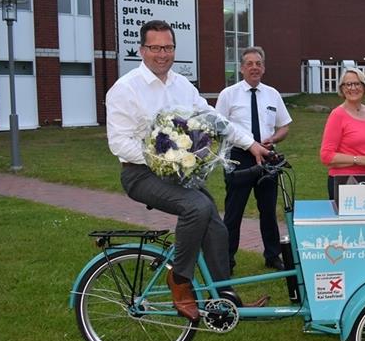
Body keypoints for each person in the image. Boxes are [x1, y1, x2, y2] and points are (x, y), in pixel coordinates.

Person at [106, 20, 270, 322]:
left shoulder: (182, 85)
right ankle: (180, 281)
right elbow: (119, 144)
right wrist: (163, 157)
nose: (162, 54)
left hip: (178, 175)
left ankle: (225, 301)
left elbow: (213, 119)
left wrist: (251, 145)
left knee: (216, 227)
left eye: (168, 47)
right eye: (155, 47)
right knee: (196, 208)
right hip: (141, 174)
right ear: (142, 50)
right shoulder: (125, 89)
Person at [215, 47, 292, 272]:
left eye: (258, 63)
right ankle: (226, 259)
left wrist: (274, 137)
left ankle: (272, 255)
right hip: (239, 157)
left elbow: (284, 126)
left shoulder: (273, 94)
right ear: (241, 68)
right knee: (234, 211)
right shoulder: (228, 95)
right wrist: (246, 143)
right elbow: (218, 126)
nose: (254, 67)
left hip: (267, 156)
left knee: (268, 209)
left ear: (264, 67)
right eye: (249, 63)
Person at [320, 68, 365, 200]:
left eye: (357, 83)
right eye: (348, 84)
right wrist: (360, 160)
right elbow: (326, 156)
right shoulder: (337, 115)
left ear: (364, 86)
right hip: (346, 182)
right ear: (342, 89)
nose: (353, 88)